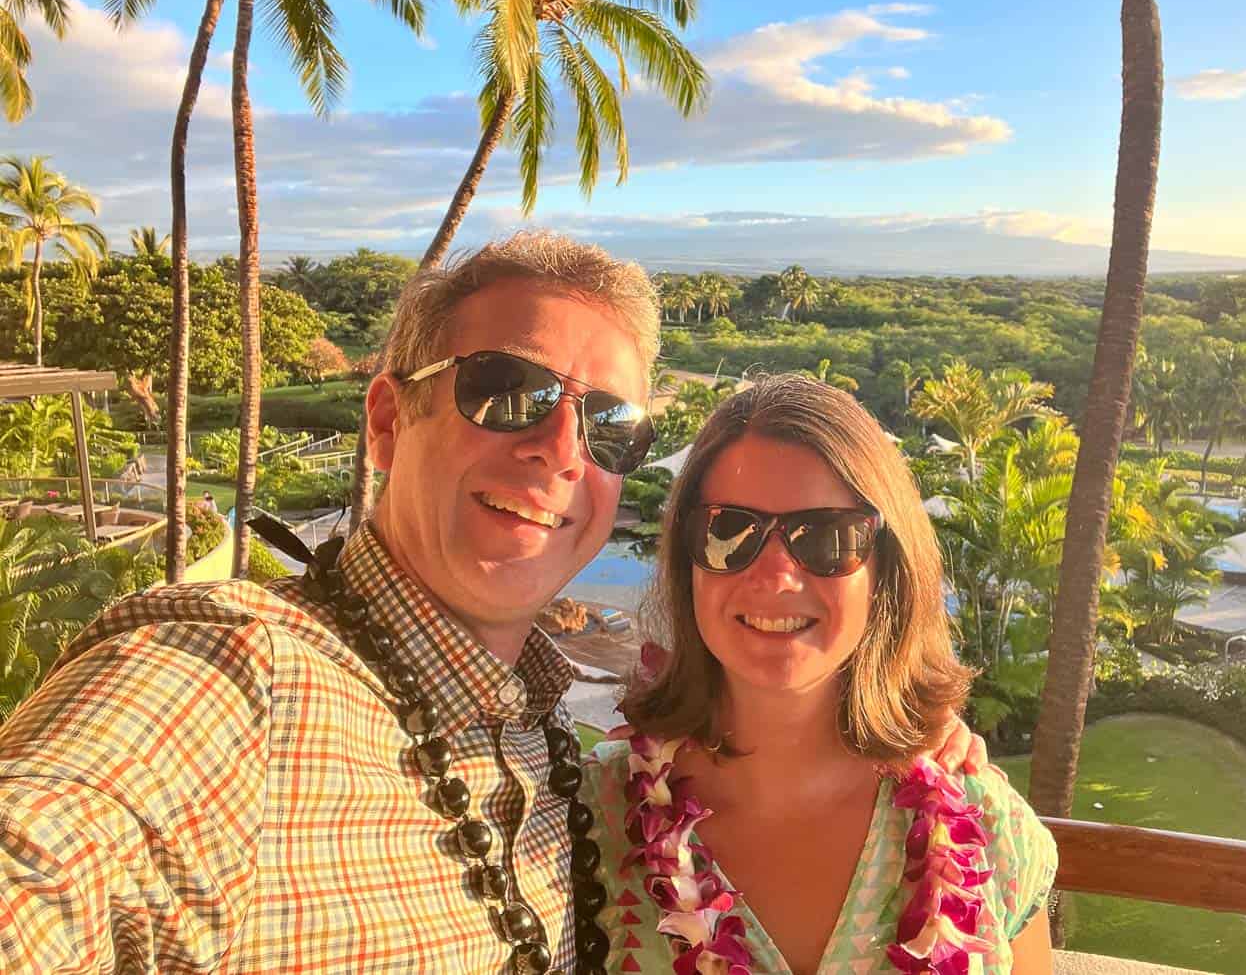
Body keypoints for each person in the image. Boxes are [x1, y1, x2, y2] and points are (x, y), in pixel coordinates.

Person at [0, 232, 983, 974]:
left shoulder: (576, 771)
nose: (560, 449)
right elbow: (50, 848)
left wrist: (884, 730)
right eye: (506, 391)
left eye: (609, 427)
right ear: (388, 422)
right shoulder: (233, 679)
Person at [583, 374, 1057, 973]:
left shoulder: (987, 828)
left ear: (885, 569)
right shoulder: (590, 817)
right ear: (688, 557)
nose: (777, 575)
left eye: (829, 537)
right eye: (730, 531)